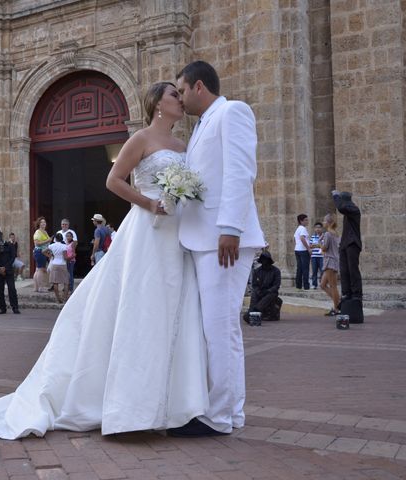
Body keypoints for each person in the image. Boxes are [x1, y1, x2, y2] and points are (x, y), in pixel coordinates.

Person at [0, 81, 208, 439]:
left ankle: (176, 405)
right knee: (140, 309)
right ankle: (129, 407)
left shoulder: (183, 145)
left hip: (175, 236)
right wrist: (149, 202)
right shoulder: (141, 138)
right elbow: (113, 180)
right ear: (157, 103)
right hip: (147, 230)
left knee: (174, 312)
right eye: (174, 95)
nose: (180, 100)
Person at [175, 60, 265, 436]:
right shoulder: (198, 128)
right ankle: (231, 411)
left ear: (199, 87)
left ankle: (220, 416)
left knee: (220, 327)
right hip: (202, 240)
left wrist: (230, 228)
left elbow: (241, 170)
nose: (178, 99)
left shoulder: (232, 111)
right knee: (216, 328)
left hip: (223, 242)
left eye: (181, 91)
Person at [332, 191, 363, 301]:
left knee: (352, 269)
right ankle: (346, 292)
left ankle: (356, 293)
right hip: (345, 243)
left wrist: (335, 196)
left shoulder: (354, 209)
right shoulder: (347, 211)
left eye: (341, 199)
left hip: (352, 243)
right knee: (344, 270)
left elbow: (340, 208)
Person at [243, 251, 282, 323]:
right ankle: (251, 311)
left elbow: (276, 285)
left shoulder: (276, 271)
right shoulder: (257, 271)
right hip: (260, 291)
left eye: (266, 260)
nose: (265, 262)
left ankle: (255, 310)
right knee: (254, 293)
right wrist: (258, 291)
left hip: (270, 292)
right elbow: (254, 285)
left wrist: (268, 291)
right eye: (263, 260)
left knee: (271, 294)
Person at [0, 240, 20, 314]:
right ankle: (2, 308)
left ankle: (15, 307)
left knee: (12, 289)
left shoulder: (10, 245)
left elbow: (12, 258)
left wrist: (5, 267)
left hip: (8, 270)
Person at [320, 213, 341, 316]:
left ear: (328, 223)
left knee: (333, 286)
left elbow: (324, 248)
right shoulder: (335, 233)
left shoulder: (328, 234)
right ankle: (338, 302)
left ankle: (337, 308)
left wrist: (320, 244)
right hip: (334, 260)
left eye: (324, 221)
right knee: (323, 285)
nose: (323, 223)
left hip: (330, 261)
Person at [47, 232, 70, 303]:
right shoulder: (64, 246)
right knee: (65, 282)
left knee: (55, 282)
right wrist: (71, 257)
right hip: (62, 264)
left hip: (54, 264)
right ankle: (65, 298)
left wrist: (50, 256)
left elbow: (43, 251)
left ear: (55, 239)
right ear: (62, 239)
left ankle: (58, 299)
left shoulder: (52, 246)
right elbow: (65, 257)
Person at [32, 217, 51, 292]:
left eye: (44, 222)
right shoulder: (38, 232)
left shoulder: (44, 232)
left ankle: (36, 287)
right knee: (40, 270)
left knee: (37, 270)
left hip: (43, 252)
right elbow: (37, 243)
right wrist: (47, 240)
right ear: (39, 224)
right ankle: (40, 287)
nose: (43, 223)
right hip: (39, 252)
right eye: (41, 222)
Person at [293, 214, 311, 290]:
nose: (307, 221)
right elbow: (302, 238)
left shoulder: (298, 229)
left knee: (299, 268)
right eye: (306, 220)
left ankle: (298, 286)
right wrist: (308, 248)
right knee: (305, 268)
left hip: (297, 250)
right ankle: (306, 286)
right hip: (303, 251)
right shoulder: (303, 228)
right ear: (301, 221)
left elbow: (295, 239)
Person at [309, 222, 324, 289]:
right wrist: (318, 245)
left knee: (322, 271)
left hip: (321, 256)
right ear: (314, 229)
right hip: (314, 256)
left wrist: (316, 245)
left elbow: (324, 246)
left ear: (321, 228)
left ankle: (323, 284)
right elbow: (310, 246)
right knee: (314, 271)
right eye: (316, 227)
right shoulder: (312, 236)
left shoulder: (324, 236)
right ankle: (314, 284)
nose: (318, 229)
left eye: (319, 227)